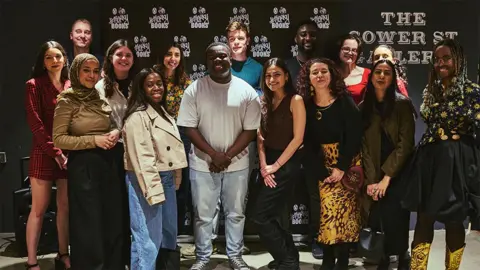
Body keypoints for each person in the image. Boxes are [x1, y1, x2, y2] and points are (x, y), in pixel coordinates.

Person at [177, 42, 261, 270]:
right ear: (206, 61)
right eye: (213, 57)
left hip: (238, 164)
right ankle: (203, 257)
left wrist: (226, 156)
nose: (218, 60)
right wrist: (213, 154)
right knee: (203, 216)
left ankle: (235, 255)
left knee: (235, 214)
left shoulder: (246, 90)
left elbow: (251, 129)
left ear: (230, 59)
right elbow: (189, 127)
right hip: (203, 164)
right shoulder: (194, 89)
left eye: (223, 56)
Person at [401, 38, 480, 269]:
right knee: (425, 218)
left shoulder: (472, 91)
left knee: (454, 219)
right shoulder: (430, 89)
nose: (440, 63)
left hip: (457, 162)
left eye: (446, 58)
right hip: (429, 160)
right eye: (437, 59)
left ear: (458, 60)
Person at [53, 53, 125, 269]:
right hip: (84, 167)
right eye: (86, 70)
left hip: (108, 163)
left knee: (112, 220)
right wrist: (94, 140)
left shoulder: (99, 97)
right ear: (76, 71)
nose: (92, 76)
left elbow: (111, 124)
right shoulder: (67, 99)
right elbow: (59, 138)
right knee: (88, 224)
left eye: (95, 71)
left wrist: (115, 132)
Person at [298, 58, 363, 270]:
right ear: (308, 78)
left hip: (346, 161)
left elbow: (354, 135)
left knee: (345, 213)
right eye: (314, 72)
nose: (319, 76)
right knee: (326, 212)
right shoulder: (305, 105)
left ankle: (342, 260)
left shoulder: (343, 100)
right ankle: (327, 258)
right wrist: (321, 170)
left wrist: (341, 167)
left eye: (324, 71)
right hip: (321, 164)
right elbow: (305, 140)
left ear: (331, 74)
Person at [123, 68, 187, 270]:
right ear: (141, 88)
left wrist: (175, 176)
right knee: (147, 239)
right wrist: (153, 191)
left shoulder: (163, 112)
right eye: (150, 84)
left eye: (159, 83)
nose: (156, 88)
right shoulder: (137, 117)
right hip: (147, 181)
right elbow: (143, 161)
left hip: (165, 178)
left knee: (167, 235)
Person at [361, 59, 415, 270]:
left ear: (393, 78)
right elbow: (364, 146)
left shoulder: (402, 104)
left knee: (398, 214)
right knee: (379, 215)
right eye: (378, 72)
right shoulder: (364, 106)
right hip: (374, 169)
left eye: (387, 73)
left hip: (399, 171)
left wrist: (386, 178)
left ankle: (403, 255)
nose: (382, 76)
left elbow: (406, 144)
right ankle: (383, 255)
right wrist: (372, 180)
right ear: (371, 76)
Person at [252, 57, 305, 270]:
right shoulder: (264, 100)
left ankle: (288, 260)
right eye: (268, 75)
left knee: (261, 216)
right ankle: (287, 256)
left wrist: (276, 166)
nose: (272, 79)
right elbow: (260, 137)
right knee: (270, 215)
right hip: (269, 163)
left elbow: (298, 139)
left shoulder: (296, 100)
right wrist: (265, 167)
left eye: (276, 74)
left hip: (287, 164)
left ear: (286, 76)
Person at [24, 41, 71, 270]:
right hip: (44, 153)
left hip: (68, 153)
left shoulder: (71, 85)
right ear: (43, 62)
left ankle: (63, 254)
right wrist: (55, 152)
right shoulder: (34, 85)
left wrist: (65, 152)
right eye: (49, 57)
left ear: (64, 58)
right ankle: (32, 262)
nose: (55, 61)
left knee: (65, 208)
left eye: (58, 56)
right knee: (39, 209)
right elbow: (35, 124)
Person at [95, 38, 137, 266]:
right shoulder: (100, 87)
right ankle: (115, 261)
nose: (124, 58)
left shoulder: (139, 83)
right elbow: (98, 121)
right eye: (119, 54)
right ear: (111, 58)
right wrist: (116, 133)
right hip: (110, 154)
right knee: (115, 210)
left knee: (135, 210)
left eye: (128, 55)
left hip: (136, 153)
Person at [285, 19, 323, 263]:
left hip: (316, 139)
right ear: (296, 39)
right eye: (303, 34)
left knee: (316, 193)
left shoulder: (323, 66)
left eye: (311, 34)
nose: (307, 38)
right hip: (288, 138)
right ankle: (283, 241)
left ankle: (318, 238)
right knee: (284, 192)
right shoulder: (286, 65)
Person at [153, 42, 193, 247]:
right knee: (157, 185)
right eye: (169, 54)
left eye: (177, 54)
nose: (173, 58)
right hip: (155, 136)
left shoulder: (186, 81)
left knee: (179, 188)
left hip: (180, 136)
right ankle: (156, 237)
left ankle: (172, 240)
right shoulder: (152, 78)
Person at [328, 33, 370, 105]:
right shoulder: (330, 73)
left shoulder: (367, 74)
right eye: (346, 49)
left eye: (354, 50)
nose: (350, 53)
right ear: (339, 51)